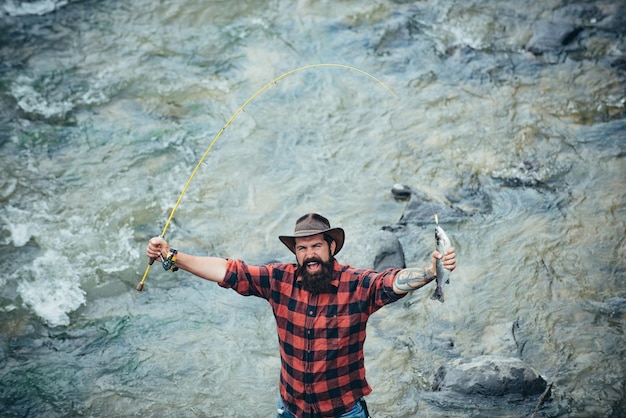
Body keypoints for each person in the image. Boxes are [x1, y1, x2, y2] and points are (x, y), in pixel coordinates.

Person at [146, 213, 456, 418]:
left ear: (331, 247)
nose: (309, 254)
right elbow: (227, 270)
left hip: (343, 411)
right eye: (302, 248)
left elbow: (390, 282)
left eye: (316, 246)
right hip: (291, 410)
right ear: (295, 253)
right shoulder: (278, 280)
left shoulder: (356, 285)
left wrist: (431, 271)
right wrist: (173, 255)